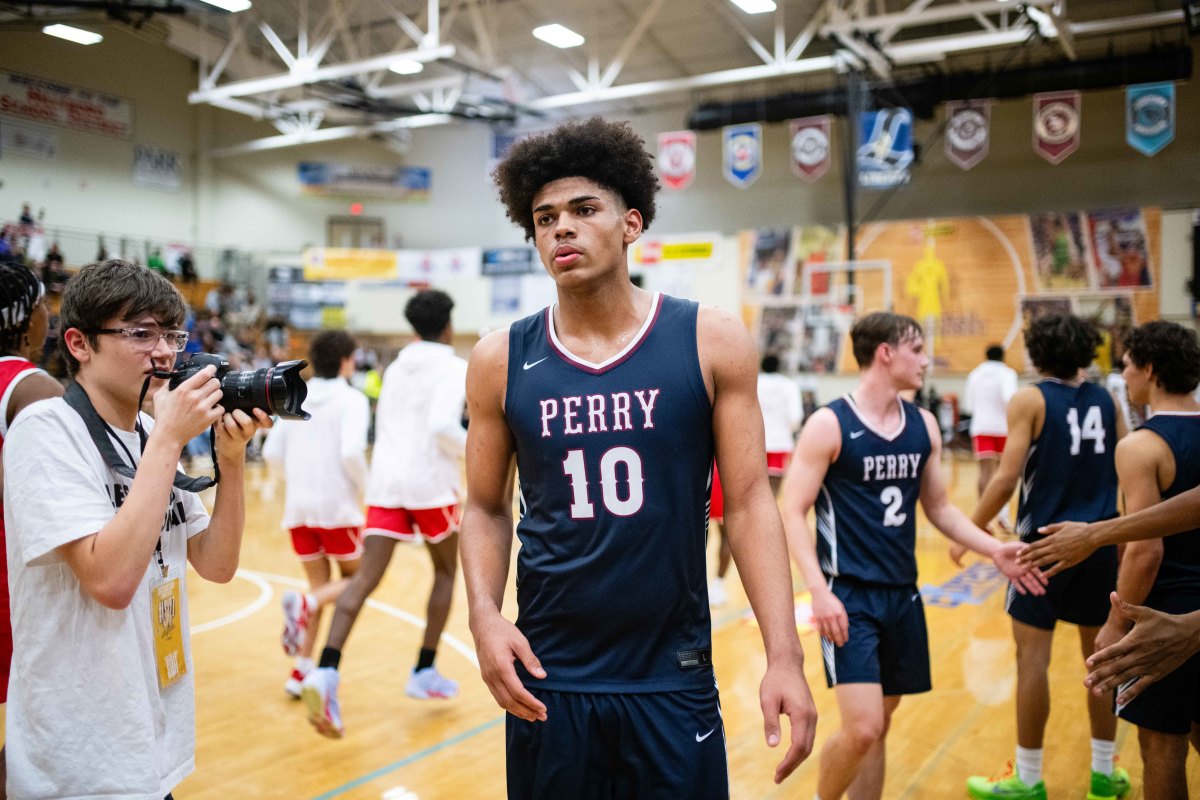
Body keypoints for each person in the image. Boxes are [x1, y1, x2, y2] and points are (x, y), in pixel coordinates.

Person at [462, 117, 817, 797]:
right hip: (549, 675)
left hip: (670, 672)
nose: (562, 228)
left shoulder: (709, 340)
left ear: (631, 223)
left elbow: (747, 505)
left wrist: (785, 655)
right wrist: (483, 614)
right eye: (545, 218)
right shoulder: (499, 359)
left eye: (583, 209)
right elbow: (483, 506)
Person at [3, 259, 270, 798]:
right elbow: (109, 582)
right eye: (141, 333)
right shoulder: (47, 430)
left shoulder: (150, 430)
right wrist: (170, 441)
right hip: (77, 760)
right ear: (79, 343)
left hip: (152, 741)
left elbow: (217, 564)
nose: (165, 352)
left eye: (171, 334)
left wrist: (232, 460)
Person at [781, 311, 1042, 800]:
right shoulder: (829, 424)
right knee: (861, 728)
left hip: (902, 595)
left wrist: (992, 549)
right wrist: (818, 591)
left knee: (879, 726)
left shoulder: (923, 425)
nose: (925, 361)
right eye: (917, 349)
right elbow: (792, 511)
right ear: (886, 353)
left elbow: (939, 507)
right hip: (848, 596)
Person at [965, 314, 1128, 800]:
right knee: (1100, 662)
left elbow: (1004, 477)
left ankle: (1029, 780)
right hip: (1097, 543)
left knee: (1031, 661)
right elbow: (1123, 466)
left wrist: (969, 530)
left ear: (1036, 353)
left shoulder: (1031, 398)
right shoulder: (1108, 399)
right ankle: (1104, 775)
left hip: (1039, 548)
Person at [302, 289, 467, 738]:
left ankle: (326, 669)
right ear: (448, 324)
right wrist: (481, 451)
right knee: (447, 572)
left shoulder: (394, 368)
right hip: (431, 484)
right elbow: (442, 426)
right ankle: (423, 670)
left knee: (363, 579)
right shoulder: (455, 366)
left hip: (387, 483)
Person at [1080, 320, 1200, 798]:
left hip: (1164, 616)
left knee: (1161, 750)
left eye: (1126, 365)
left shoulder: (1139, 446)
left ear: (1149, 369)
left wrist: (1113, 623)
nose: (1123, 376)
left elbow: (1146, 549)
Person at [262, 330, 367, 700]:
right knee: (361, 578)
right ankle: (305, 606)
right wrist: (367, 489)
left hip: (299, 510)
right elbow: (353, 453)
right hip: (338, 509)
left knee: (319, 589)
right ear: (344, 360)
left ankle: (300, 671)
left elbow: (272, 453)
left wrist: (295, 481)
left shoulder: (296, 395)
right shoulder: (352, 400)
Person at [0, 264, 62, 793]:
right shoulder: (30, 385)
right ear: (25, 320)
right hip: (12, 585)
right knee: (36, 735)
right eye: (44, 306)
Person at [959, 344, 1018, 543]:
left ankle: (982, 520)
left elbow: (968, 405)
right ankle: (1003, 516)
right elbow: (1009, 399)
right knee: (1005, 473)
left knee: (985, 473)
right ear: (1003, 356)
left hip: (981, 426)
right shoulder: (1007, 373)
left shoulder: (975, 374)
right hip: (1003, 427)